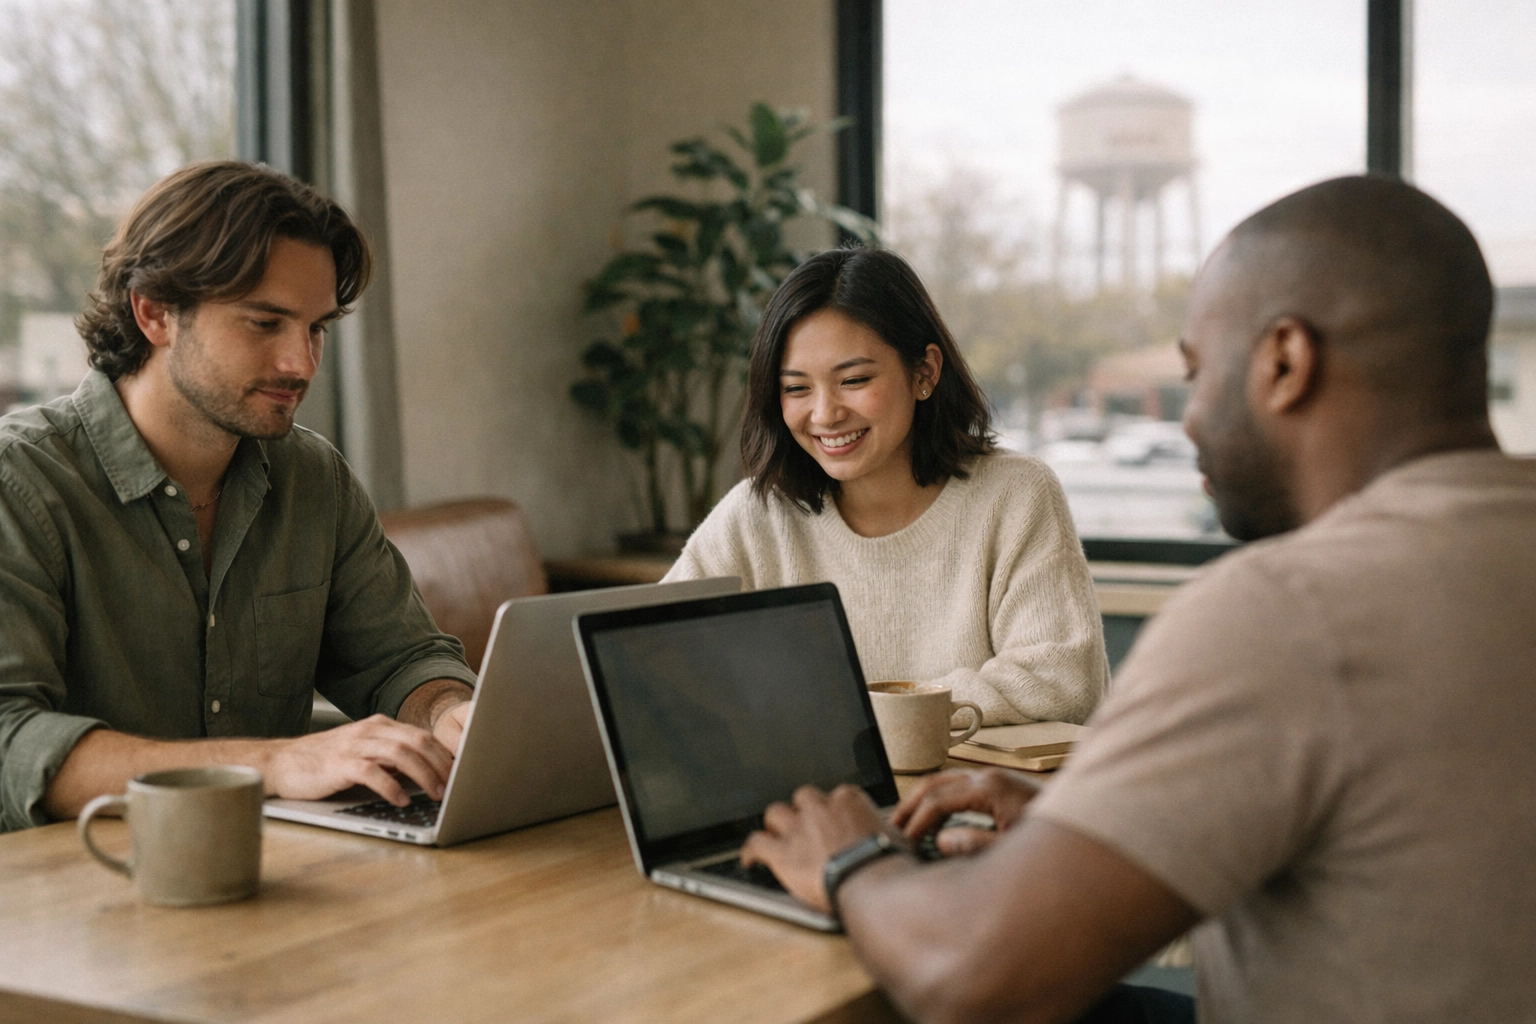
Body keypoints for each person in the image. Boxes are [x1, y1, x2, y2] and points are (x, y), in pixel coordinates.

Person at [737, 175, 1536, 1023]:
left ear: (1285, 362)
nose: (1186, 419)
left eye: (1196, 372)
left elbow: (967, 973)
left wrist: (850, 855)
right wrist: (1088, 819)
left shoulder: (1284, 612)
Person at [0, 161, 478, 832]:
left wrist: (452, 712)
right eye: (264, 323)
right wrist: (275, 764)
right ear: (155, 313)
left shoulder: (313, 478)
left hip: (270, 879)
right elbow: (8, 742)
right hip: (64, 901)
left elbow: (400, 660)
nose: (302, 364)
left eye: (316, 328)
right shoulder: (19, 482)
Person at [664, 247, 1107, 725]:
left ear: (925, 373)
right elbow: (652, 656)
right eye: (796, 388)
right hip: (818, 798)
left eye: (853, 379)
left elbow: (1062, 683)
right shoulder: (757, 516)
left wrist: (856, 716)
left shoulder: (1016, 494)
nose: (825, 413)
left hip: (969, 796)